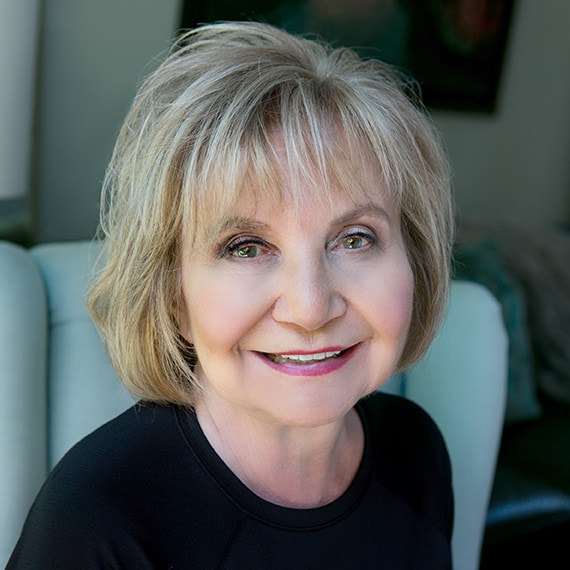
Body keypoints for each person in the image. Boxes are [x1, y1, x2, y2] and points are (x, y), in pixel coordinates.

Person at [8, 21, 454, 568]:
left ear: (415, 259)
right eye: (247, 247)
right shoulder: (94, 522)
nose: (311, 308)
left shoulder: (417, 451)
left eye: (355, 239)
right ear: (175, 295)